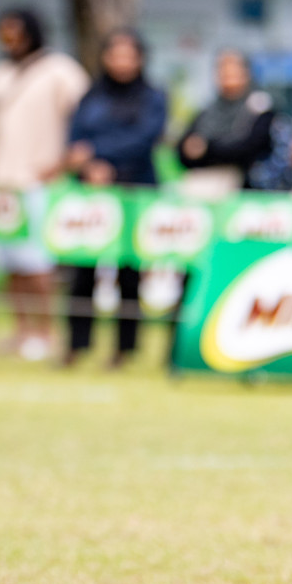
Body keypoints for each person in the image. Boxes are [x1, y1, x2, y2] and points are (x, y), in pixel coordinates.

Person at [0, 7, 89, 362]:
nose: (10, 39)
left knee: (38, 265)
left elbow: (85, 118)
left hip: (40, 179)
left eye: (16, 31)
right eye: (4, 32)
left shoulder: (61, 71)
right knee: (10, 264)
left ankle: (46, 332)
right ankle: (21, 330)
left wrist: (62, 164)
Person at [63, 28, 168, 368]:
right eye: (115, 54)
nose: (121, 62)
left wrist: (100, 154)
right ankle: (76, 344)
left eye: (129, 55)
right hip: (92, 190)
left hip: (134, 188)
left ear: (140, 59)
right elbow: (76, 135)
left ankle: (125, 348)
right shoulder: (91, 95)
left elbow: (145, 137)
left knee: (129, 272)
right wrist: (89, 164)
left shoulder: (152, 96)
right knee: (82, 269)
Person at [174, 49, 276, 199]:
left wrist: (206, 148)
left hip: (246, 188)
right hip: (203, 181)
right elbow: (184, 151)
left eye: (233, 73)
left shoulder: (258, 106)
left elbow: (247, 149)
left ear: (246, 74)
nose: (228, 78)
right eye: (223, 73)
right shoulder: (208, 110)